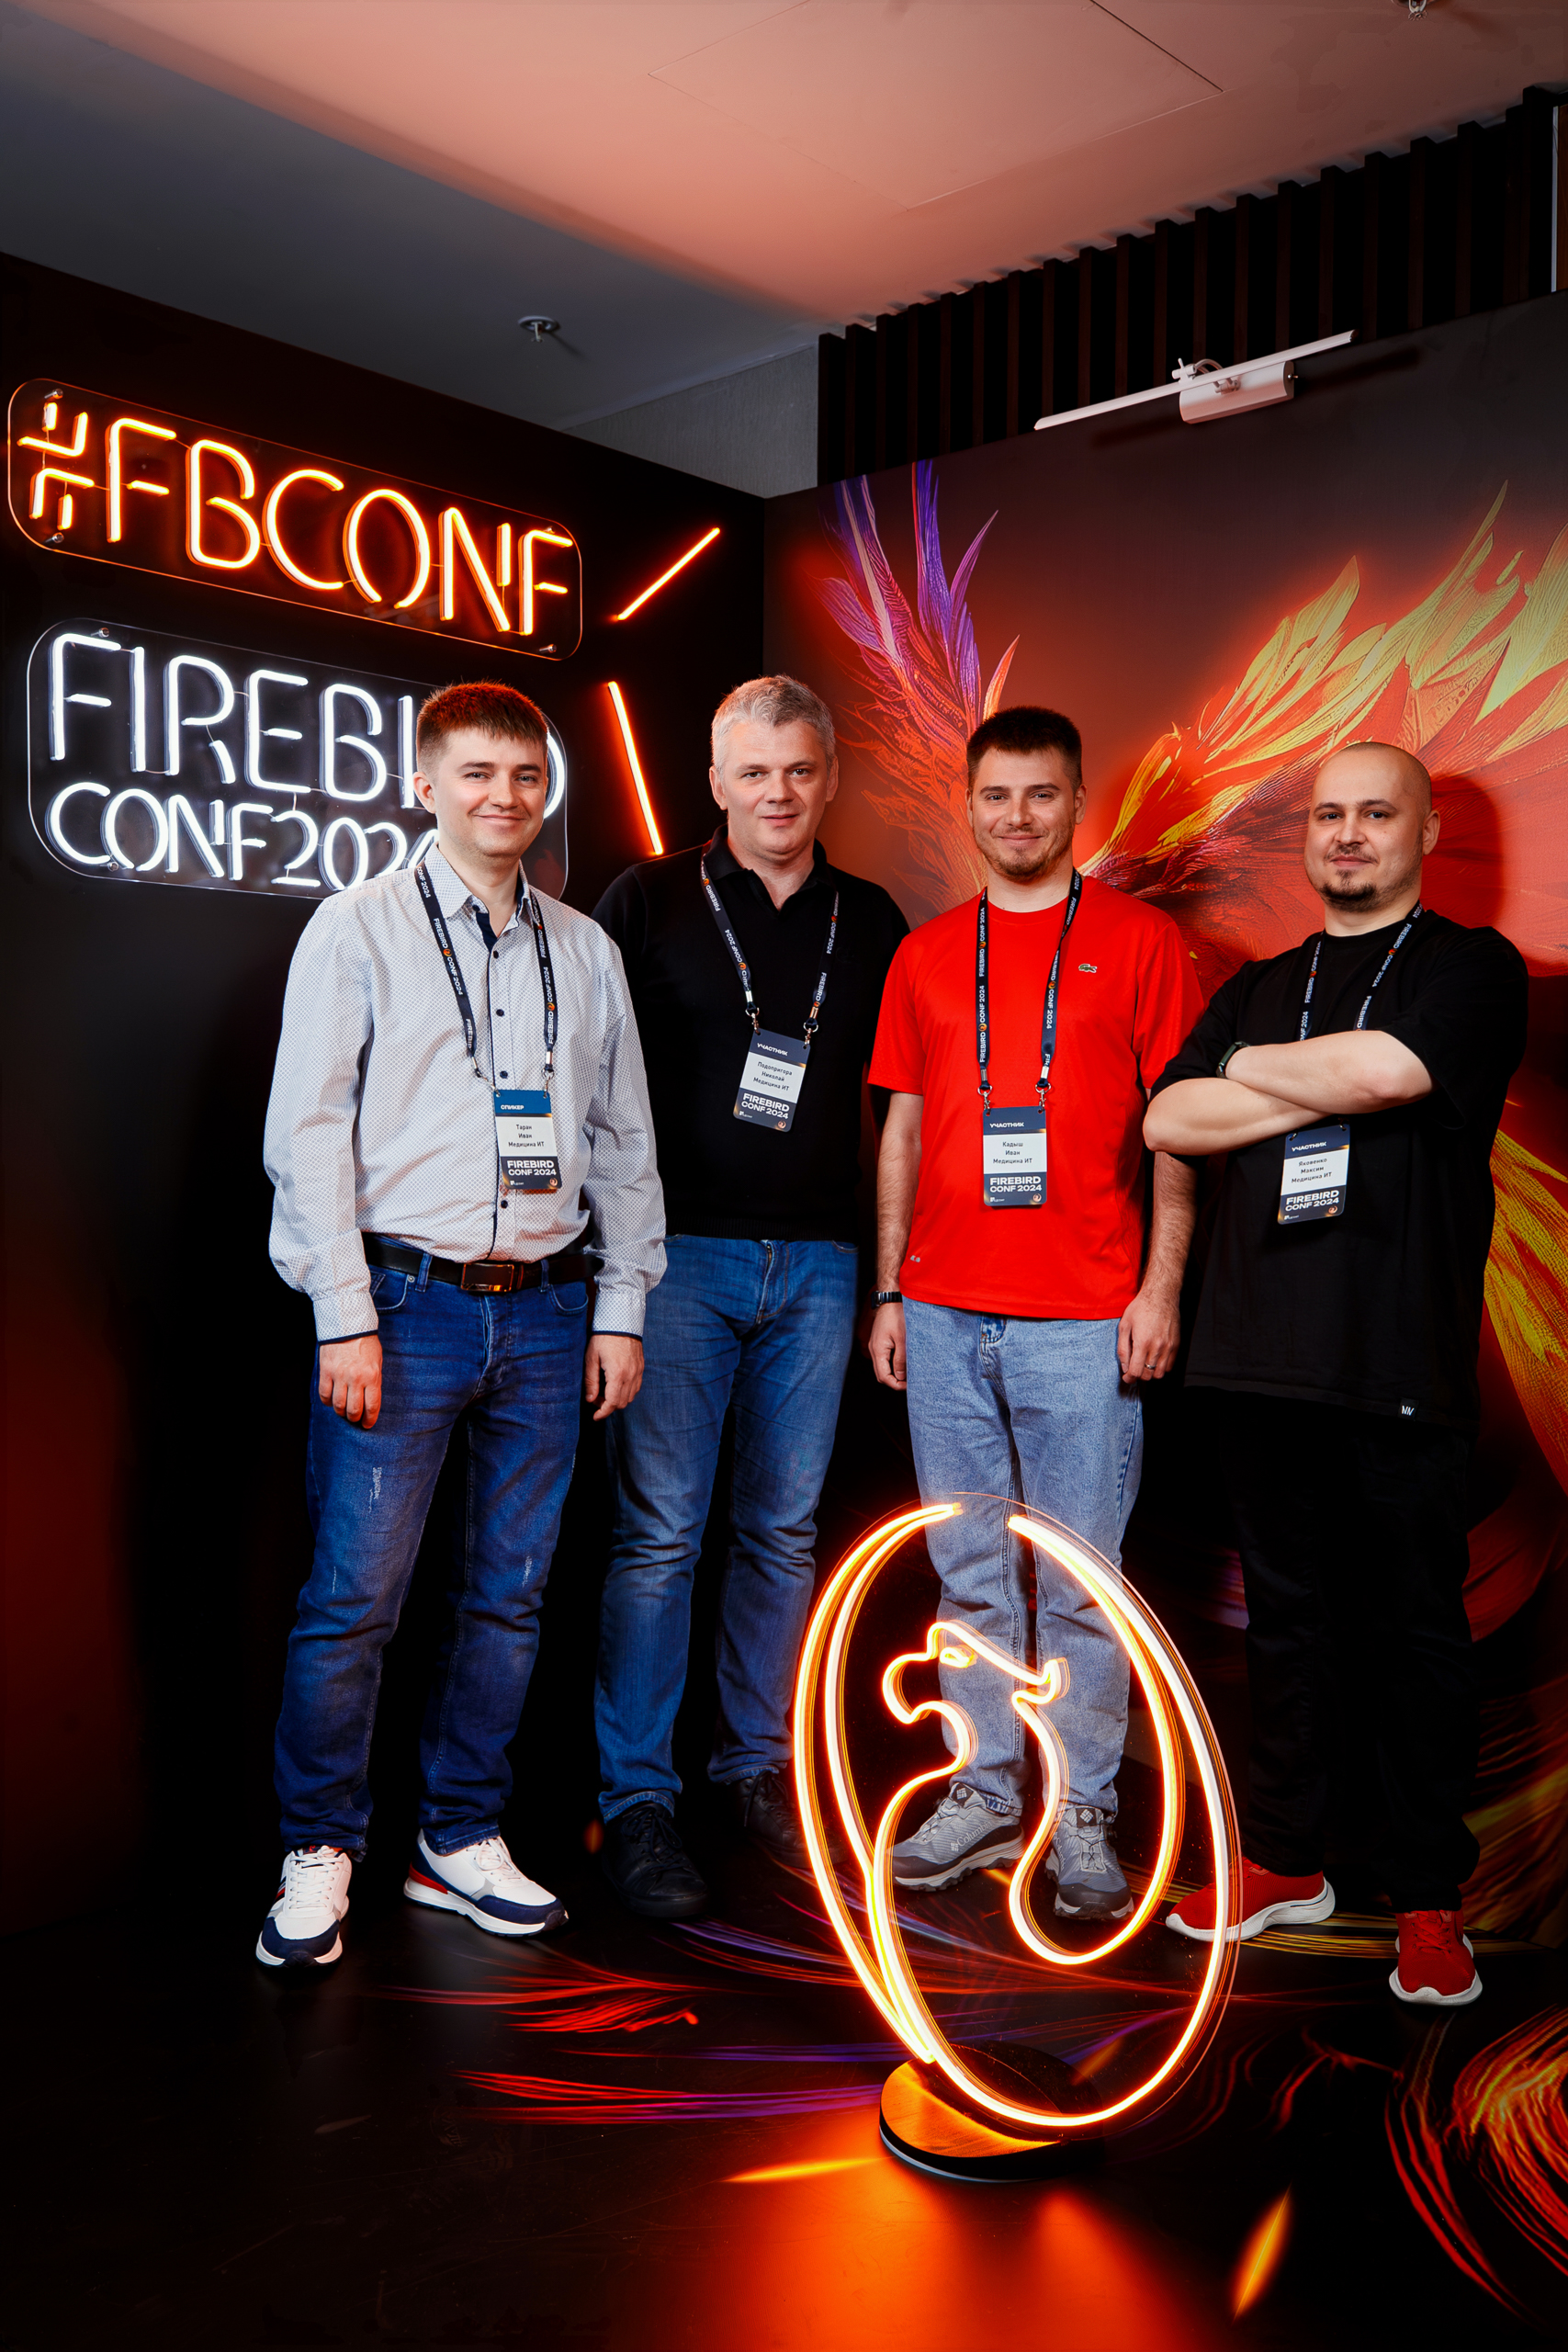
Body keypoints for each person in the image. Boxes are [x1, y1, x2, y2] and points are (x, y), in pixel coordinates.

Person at [257, 680, 663, 1968]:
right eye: (478, 773)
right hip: (403, 1308)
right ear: (425, 784)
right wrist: (342, 1315)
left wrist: (621, 1306)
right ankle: (319, 1847)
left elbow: (623, 1140)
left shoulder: (584, 950)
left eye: (526, 776)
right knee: (354, 1600)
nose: (505, 796)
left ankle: (459, 1835)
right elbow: (307, 1131)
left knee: (509, 1600)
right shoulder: (357, 926)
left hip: (547, 1315)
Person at [1146, 741, 1527, 2007]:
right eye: (1329, 815)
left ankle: (1426, 1899)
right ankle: (1286, 1859)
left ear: (1423, 835)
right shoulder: (1264, 984)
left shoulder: (1470, 970)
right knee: (1288, 1627)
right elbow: (1166, 1119)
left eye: (1376, 814)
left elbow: (1393, 1071)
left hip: (1398, 1363)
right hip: (1257, 1362)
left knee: (1417, 1635)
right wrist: (1286, 1082)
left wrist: (1241, 1073)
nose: (1348, 835)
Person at [867, 706, 1202, 1917]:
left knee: (1080, 1584)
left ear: (1076, 804)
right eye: (997, 794)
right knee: (968, 1574)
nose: (1018, 815)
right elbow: (903, 1128)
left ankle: (1083, 1810)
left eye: (1042, 793)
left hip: (1085, 1319)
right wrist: (891, 1286)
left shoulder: (1143, 941)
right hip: (943, 1313)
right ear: (968, 805)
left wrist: (1160, 1288)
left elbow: (1177, 1130)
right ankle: (986, 1790)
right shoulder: (924, 953)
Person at [592, 675, 908, 1918]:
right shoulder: (646, 901)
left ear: (830, 780)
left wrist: (889, 1276)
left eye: (799, 771)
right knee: (660, 1537)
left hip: (820, 1267)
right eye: (754, 772)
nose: (778, 793)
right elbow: (588, 1087)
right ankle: (638, 1799)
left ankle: (755, 1770)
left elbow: (903, 1116)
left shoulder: (872, 919)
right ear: (716, 782)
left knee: (780, 1533)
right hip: (678, 1261)